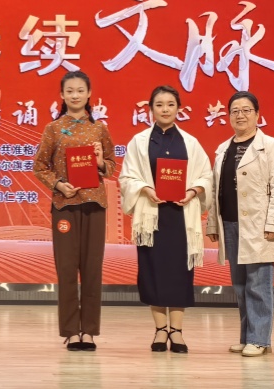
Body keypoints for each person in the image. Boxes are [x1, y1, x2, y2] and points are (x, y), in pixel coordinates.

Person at [118, 85, 212, 354]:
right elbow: (127, 177)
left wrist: (193, 191)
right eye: (159, 105)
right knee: (153, 272)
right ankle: (160, 330)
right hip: (152, 218)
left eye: (170, 104)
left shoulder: (190, 142)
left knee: (180, 272)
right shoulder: (139, 142)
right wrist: (145, 188)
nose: (165, 109)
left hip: (181, 217)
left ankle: (177, 331)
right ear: (151, 109)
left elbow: (206, 176)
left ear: (178, 108)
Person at [33, 71, 116, 351]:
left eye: (80, 90)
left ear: (89, 93)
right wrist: (59, 184)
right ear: (62, 95)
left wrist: (100, 161)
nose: (75, 95)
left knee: (92, 269)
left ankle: (89, 331)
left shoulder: (99, 128)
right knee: (67, 269)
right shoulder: (53, 128)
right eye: (70, 91)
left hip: (94, 205)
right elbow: (39, 166)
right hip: (65, 205)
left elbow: (111, 166)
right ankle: (70, 331)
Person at [206, 91, 274, 357]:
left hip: (259, 225)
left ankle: (260, 339)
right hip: (230, 222)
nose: (240, 115)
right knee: (240, 286)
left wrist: (273, 223)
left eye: (246, 110)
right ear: (229, 116)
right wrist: (213, 224)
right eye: (235, 111)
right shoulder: (223, 149)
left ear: (257, 114)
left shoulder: (270, 145)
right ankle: (247, 337)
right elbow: (216, 190)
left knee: (258, 284)